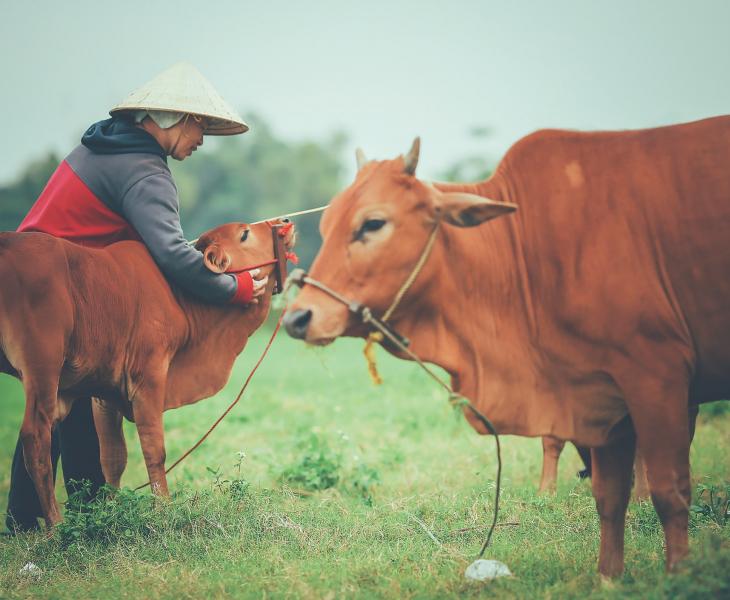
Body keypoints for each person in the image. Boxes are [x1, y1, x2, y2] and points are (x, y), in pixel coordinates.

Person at [5, 62, 267, 532]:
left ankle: (44, 523)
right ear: (171, 120)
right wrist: (235, 288)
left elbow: (153, 249)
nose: (202, 139)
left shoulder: (98, 147)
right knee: (60, 405)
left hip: (25, 284)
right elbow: (170, 254)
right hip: (59, 295)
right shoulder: (147, 172)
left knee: (54, 403)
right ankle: (89, 523)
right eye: (199, 125)